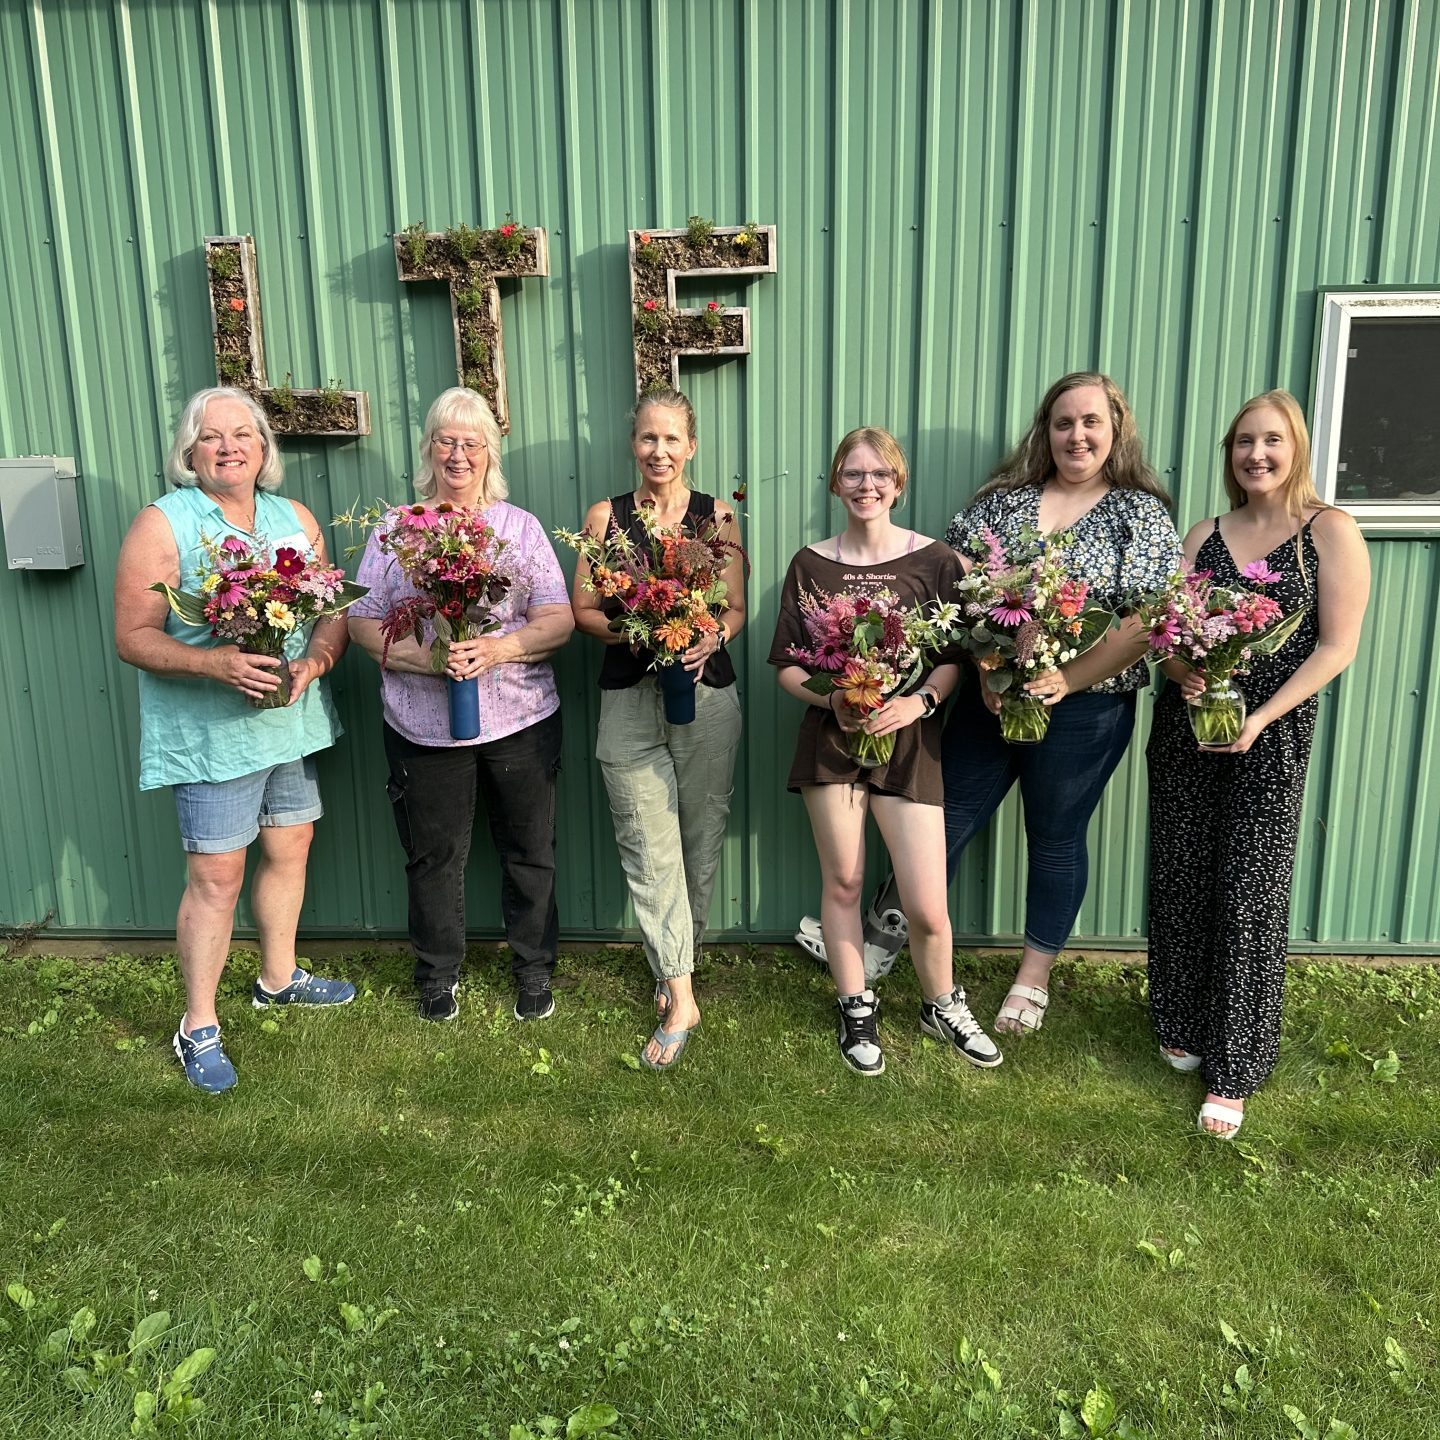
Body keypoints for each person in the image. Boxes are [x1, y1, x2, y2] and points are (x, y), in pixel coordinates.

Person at [796, 375, 1182, 1037]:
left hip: (1085, 711)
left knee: (1056, 838)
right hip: (988, 700)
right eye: (1064, 423)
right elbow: (954, 592)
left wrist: (1069, 678)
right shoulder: (1003, 503)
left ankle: (1032, 977)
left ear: (1115, 429)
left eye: (1091, 422)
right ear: (1045, 429)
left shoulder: (1137, 513)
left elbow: (1151, 617)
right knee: (940, 826)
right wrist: (990, 665)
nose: (1077, 435)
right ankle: (889, 934)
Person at [113, 387, 355, 1093]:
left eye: (243, 435)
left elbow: (331, 613)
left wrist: (320, 659)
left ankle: (277, 978)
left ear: (263, 449)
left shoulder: (293, 518)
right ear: (190, 452)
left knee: (290, 845)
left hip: (289, 722)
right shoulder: (165, 523)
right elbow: (132, 637)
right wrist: (213, 662)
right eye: (212, 437)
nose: (229, 447)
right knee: (216, 878)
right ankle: (198, 1023)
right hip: (210, 737)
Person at [1147, 390, 1369, 1138]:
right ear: (1229, 453)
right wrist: (1189, 677)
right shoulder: (1205, 532)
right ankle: (1181, 1019)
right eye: (1243, 442)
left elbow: (1337, 645)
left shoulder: (1327, 531)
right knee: (1181, 872)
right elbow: (1168, 636)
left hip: (1268, 739)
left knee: (1249, 891)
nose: (1256, 455)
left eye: (1271, 441)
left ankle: (1235, 1068)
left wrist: (1261, 717)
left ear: (1296, 447)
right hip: (1187, 731)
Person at [771, 427, 1001, 1076]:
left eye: (879, 475)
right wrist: (832, 702)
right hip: (834, 742)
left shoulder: (937, 561)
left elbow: (956, 660)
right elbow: (788, 668)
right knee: (843, 881)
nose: (866, 485)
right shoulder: (810, 565)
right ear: (835, 482)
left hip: (910, 745)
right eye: (852, 474)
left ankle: (941, 1004)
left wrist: (919, 703)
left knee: (926, 903)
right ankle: (855, 1005)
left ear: (898, 483)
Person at [348, 389, 574, 1023]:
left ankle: (533, 970)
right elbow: (362, 622)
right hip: (421, 725)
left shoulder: (518, 527)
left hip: (519, 720)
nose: (458, 454)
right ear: (428, 450)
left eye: (472, 443)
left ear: (489, 455)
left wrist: (497, 651)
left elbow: (556, 619)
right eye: (446, 440)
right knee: (434, 856)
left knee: (529, 848)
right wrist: (426, 659)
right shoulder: (396, 530)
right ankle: (438, 974)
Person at [571, 388, 745, 1070]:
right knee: (646, 841)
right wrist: (637, 627)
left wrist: (708, 637)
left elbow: (732, 602)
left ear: (691, 447)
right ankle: (681, 993)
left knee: (698, 837)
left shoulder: (716, 516)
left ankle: (679, 965)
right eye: (648, 438)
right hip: (627, 699)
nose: (659, 451)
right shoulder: (605, 518)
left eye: (672, 439)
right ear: (633, 445)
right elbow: (583, 608)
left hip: (705, 697)